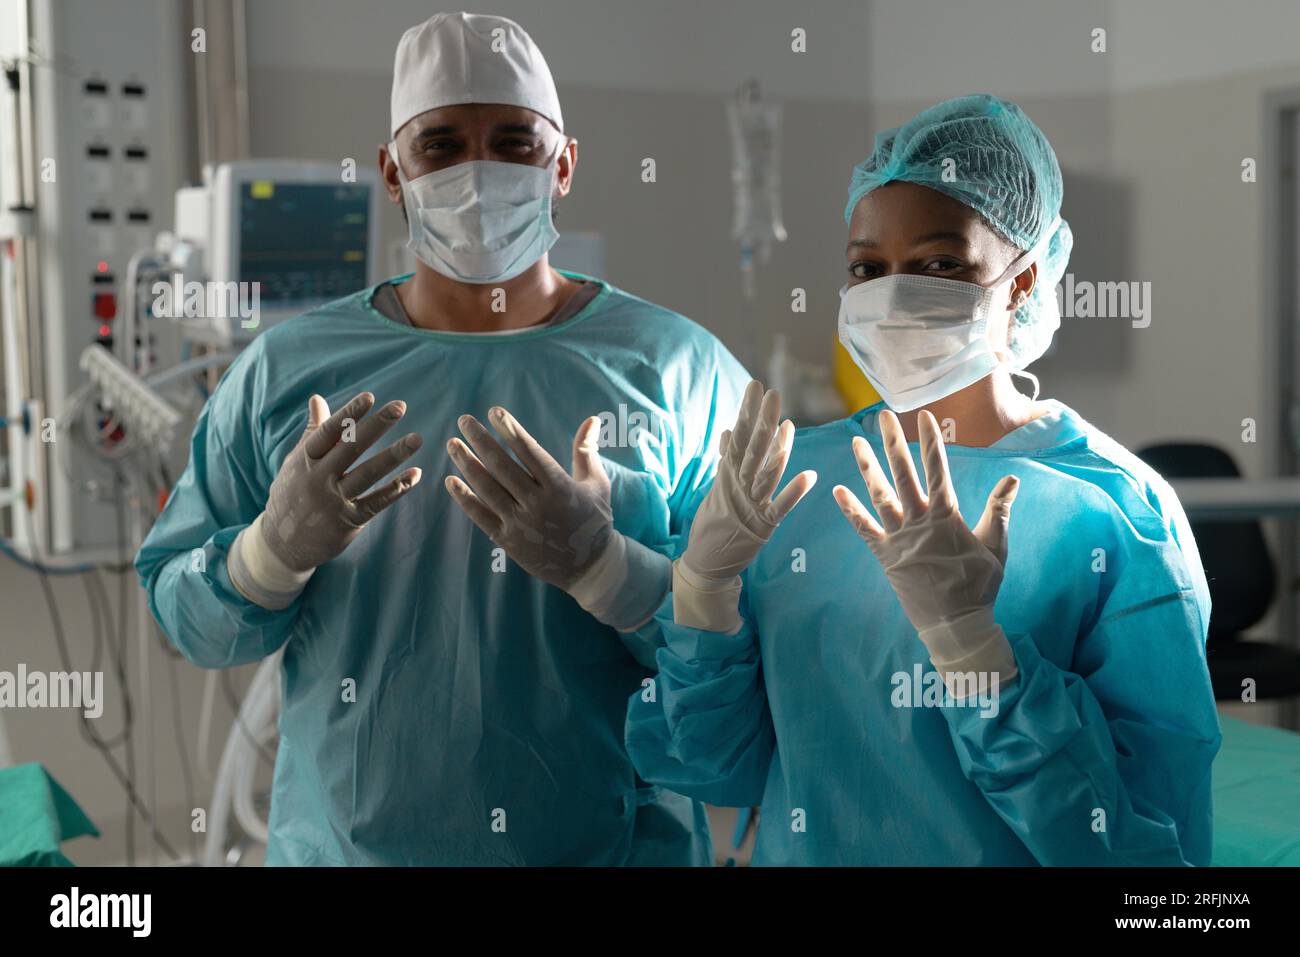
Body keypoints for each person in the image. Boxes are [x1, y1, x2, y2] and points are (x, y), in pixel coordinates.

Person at [135, 12, 748, 865]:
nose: (478, 171)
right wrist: (270, 554)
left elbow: (746, 658)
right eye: (440, 146)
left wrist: (610, 570)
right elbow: (186, 617)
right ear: (392, 171)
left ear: (564, 163)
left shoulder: (680, 370)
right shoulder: (289, 372)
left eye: (513, 142)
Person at [622, 94, 1222, 865]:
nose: (894, 293)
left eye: (940, 264)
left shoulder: (1114, 512)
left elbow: (1152, 868)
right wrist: (703, 595)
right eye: (867, 269)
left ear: (1024, 281)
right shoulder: (791, 482)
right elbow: (718, 769)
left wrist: (980, 657)